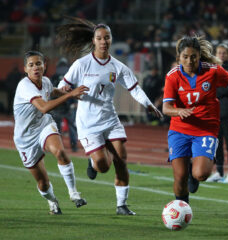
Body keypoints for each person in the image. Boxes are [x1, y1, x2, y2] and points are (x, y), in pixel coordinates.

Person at [56, 17, 163, 215]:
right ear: (93, 41)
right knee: (103, 166)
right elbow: (63, 87)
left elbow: (134, 88)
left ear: (111, 40)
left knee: (121, 158)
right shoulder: (82, 64)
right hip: (88, 123)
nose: (103, 41)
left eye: (107, 37)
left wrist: (148, 104)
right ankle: (93, 161)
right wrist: (69, 92)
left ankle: (121, 205)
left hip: (110, 119)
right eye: (99, 38)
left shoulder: (118, 67)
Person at [162, 35, 228, 204]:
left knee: (201, 174)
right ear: (179, 57)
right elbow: (166, 108)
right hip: (179, 129)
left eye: (193, 56)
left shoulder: (212, 70)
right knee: (180, 178)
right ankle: (183, 210)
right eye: (185, 57)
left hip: (206, 129)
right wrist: (180, 111)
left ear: (199, 55)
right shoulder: (172, 76)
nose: (189, 61)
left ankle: (193, 171)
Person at [13, 50, 89, 215]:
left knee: (60, 152)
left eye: (39, 64)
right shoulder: (24, 85)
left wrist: (68, 93)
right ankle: (52, 200)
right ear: (25, 69)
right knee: (43, 183)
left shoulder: (45, 81)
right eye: (31, 65)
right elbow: (44, 106)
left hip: (43, 125)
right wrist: (70, 95)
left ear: (44, 65)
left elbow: (51, 91)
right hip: (25, 138)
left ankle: (74, 194)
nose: (36, 68)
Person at [206, 44, 228, 184]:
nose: (221, 55)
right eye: (219, 52)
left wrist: (212, 89)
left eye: (224, 53)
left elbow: (227, 89)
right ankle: (219, 171)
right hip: (216, 112)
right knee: (216, 144)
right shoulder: (213, 69)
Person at [50, 58, 78, 152]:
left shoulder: (54, 76)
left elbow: (51, 90)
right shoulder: (70, 76)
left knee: (57, 127)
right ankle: (74, 145)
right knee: (72, 126)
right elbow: (74, 90)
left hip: (57, 105)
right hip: (68, 105)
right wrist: (75, 102)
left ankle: (58, 145)